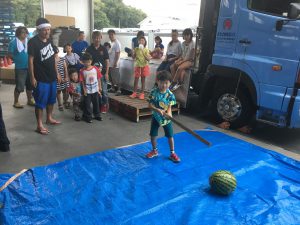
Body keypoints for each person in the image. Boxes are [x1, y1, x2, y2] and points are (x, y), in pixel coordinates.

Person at [28, 18, 62, 135]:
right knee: (40, 102)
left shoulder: (49, 41)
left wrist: (57, 72)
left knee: (51, 100)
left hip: (52, 76)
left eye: (48, 29)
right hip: (40, 78)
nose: (47, 32)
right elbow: (30, 61)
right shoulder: (32, 42)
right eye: (44, 30)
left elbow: (53, 58)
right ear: (38, 30)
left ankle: (49, 118)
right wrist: (32, 77)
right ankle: (39, 124)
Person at [146, 71, 180, 163]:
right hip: (156, 117)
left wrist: (169, 114)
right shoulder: (154, 92)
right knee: (153, 135)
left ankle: (172, 153)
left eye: (166, 83)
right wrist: (157, 110)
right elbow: (149, 105)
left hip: (166, 119)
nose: (164, 85)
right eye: (162, 82)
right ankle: (154, 150)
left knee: (170, 136)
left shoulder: (170, 95)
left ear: (169, 83)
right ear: (157, 82)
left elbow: (169, 107)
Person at [8, 26, 35, 108]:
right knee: (19, 86)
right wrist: (17, 60)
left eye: (26, 32)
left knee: (30, 85)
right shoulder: (13, 42)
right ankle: (16, 102)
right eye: (23, 32)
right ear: (18, 33)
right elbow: (9, 54)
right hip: (20, 68)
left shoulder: (28, 41)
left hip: (29, 67)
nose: (25, 34)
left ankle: (29, 100)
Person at [86, 31, 109, 114]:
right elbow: (86, 61)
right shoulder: (89, 49)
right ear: (92, 39)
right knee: (94, 91)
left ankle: (104, 106)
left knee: (104, 91)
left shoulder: (104, 49)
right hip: (92, 75)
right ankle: (97, 106)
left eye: (99, 38)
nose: (97, 40)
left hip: (102, 74)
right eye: (95, 38)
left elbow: (107, 61)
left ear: (101, 38)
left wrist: (106, 73)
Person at [79, 53, 103, 123]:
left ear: (91, 61)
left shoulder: (95, 68)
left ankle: (97, 115)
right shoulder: (82, 71)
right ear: (82, 62)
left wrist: (100, 87)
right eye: (85, 62)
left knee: (96, 103)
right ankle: (88, 117)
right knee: (87, 104)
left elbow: (99, 78)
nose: (87, 63)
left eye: (88, 62)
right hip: (87, 91)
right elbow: (82, 82)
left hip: (95, 90)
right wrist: (84, 90)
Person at [107, 29, 122, 95]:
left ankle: (119, 90)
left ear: (114, 35)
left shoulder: (117, 43)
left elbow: (118, 53)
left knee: (116, 76)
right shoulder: (109, 42)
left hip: (115, 62)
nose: (111, 36)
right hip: (109, 62)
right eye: (109, 35)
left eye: (112, 34)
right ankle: (112, 88)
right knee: (110, 76)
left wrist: (115, 62)